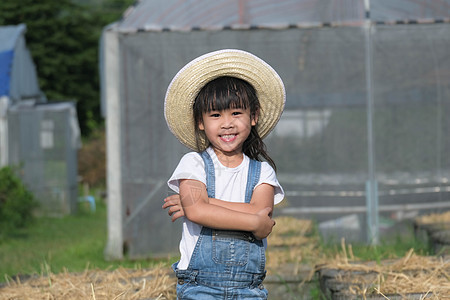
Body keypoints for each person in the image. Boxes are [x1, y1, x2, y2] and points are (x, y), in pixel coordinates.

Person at [162, 49, 285, 299]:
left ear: (254, 116)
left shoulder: (262, 171)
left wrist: (205, 205)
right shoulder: (193, 163)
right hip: (199, 287)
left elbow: (264, 219)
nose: (227, 123)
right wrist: (250, 220)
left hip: (248, 289)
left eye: (236, 113)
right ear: (200, 122)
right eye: (215, 115)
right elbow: (255, 220)